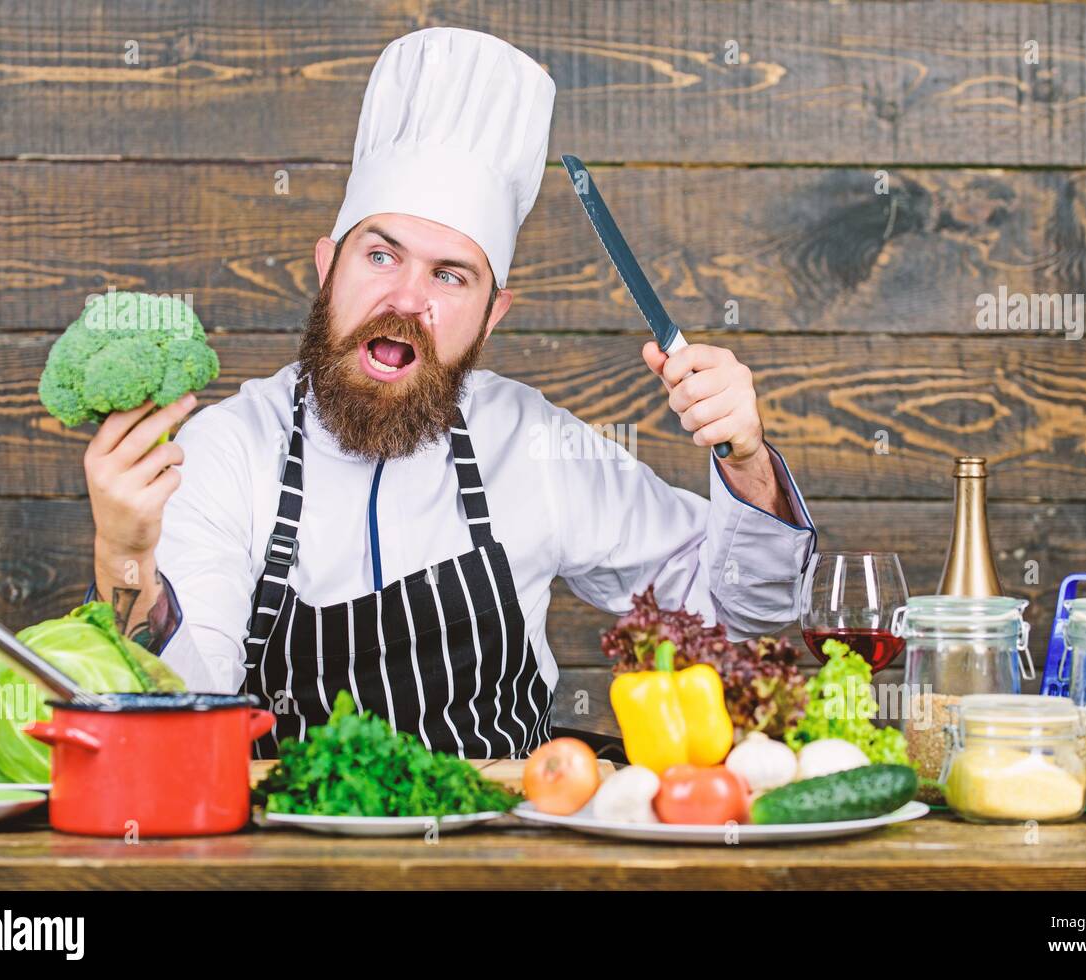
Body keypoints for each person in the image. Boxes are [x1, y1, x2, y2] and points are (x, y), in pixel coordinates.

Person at [81, 27, 816, 759]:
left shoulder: (532, 443)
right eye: (379, 255)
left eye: (450, 275)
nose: (406, 298)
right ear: (325, 269)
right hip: (294, 858)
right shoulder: (227, 450)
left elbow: (740, 610)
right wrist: (125, 556)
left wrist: (745, 458)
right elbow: (174, 710)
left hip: (508, 855)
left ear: (492, 315)